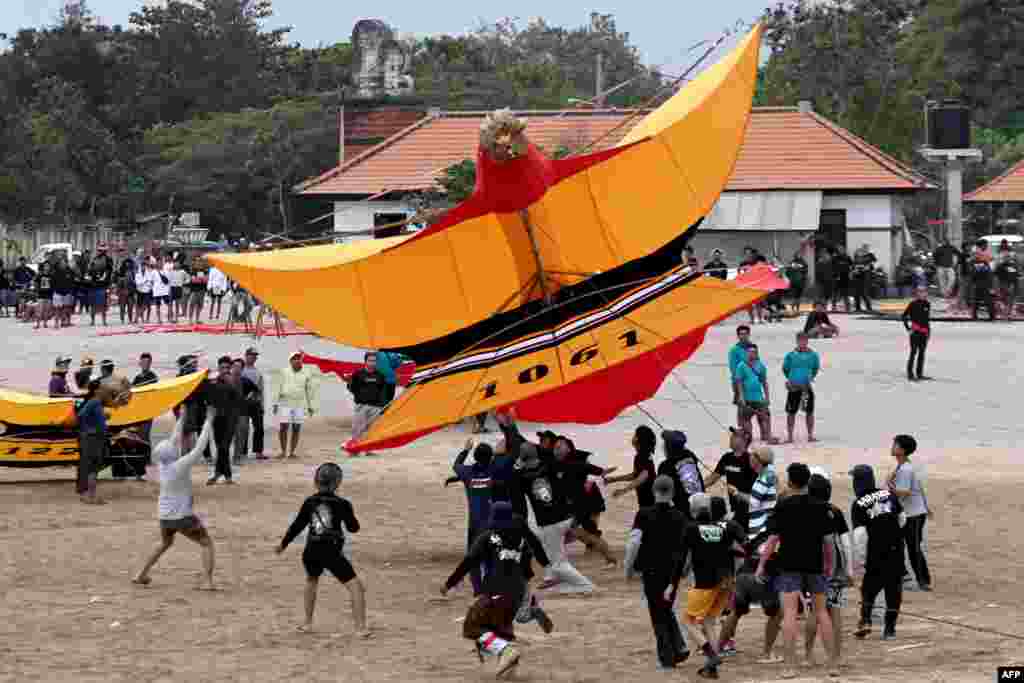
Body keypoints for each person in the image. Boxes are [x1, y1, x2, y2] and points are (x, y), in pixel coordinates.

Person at [440, 501, 552, 679]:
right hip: (518, 590)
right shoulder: (522, 536)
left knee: (472, 626)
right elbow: (535, 550)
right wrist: (547, 567)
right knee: (500, 628)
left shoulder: (488, 537)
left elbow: (469, 560)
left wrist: (450, 583)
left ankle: (506, 652)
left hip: (497, 589)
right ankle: (510, 673)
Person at [756, 463, 839, 678]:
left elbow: (773, 540)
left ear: (790, 482)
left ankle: (790, 666)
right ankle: (832, 664)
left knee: (790, 615)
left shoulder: (783, 506)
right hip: (815, 565)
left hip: (789, 566)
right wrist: (830, 566)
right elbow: (828, 542)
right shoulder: (820, 506)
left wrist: (761, 564)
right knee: (822, 613)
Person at [275, 462, 370, 637]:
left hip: (311, 549)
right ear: (338, 483)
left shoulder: (309, 501)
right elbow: (353, 528)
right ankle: (360, 628)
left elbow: (297, 525)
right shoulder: (343, 503)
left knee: (311, 580)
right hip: (331, 551)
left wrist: (283, 544)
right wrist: (349, 514)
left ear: (316, 481)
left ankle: (307, 623)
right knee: (356, 587)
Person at [132, 409, 217, 590]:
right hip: (183, 516)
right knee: (206, 543)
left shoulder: (163, 466)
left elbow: (174, 438)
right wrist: (208, 421)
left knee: (165, 543)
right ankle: (208, 581)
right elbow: (200, 446)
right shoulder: (180, 466)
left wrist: (182, 416)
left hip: (164, 516)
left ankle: (141, 574)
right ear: (173, 453)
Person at [624, 475, 691, 670]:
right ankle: (678, 646)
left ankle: (667, 656)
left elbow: (634, 543)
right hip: (672, 571)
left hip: (651, 570)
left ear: (654, 491)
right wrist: (684, 570)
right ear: (672, 492)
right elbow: (686, 547)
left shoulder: (643, 514)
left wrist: (628, 568)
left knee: (657, 612)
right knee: (665, 607)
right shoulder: (680, 516)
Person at [515, 442, 595, 593]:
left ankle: (586, 586)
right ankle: (563, 581)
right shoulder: (549, 465)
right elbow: (576, 466)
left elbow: (511, 479)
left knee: (557, 563)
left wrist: (518, 463)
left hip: (549, 524)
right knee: (556, 555)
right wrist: (599, 470)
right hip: (565, 517)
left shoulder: (522, 476)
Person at [680, 493, 745, 680]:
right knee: (709, 621)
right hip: (725, 581)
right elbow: (735, 549)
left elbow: (684, 557)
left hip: (705, 582)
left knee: (688, 621)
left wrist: (676, 578)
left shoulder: (692, 528)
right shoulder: (723, 528)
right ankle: (712, 668)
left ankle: (712, 655)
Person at [849, 463, 904, 640]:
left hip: (876, 551)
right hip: (896, 549)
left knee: (869, 589)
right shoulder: (888, 494)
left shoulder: (858, 504)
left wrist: (862, 558)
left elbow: (860, 535)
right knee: (893, 590)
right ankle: (890, 630)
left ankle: (865, 620)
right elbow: (902, 518)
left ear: (857, 482)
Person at [804, 473, 854, 668]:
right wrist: (849, 569)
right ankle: (836, 655)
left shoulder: (805, 511)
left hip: (813, 566)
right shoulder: (835, 511)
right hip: (835, 568)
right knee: (835, 611)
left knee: (814, 612)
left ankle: (808, 655)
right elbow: (846, 542)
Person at [552, 436, 617, 566]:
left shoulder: (574, 464)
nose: (556, 450)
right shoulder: (555, 465)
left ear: (568, 449)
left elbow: (590, 468)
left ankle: (610, 558)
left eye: (559, 447)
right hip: (570, 507)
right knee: (569, 532)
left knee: (590, 534)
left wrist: (601, 472)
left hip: (580, 507)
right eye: (555, 448)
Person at [449, 439, 496, 596]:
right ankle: (489, 587)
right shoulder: (495, 470)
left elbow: (456, 465)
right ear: (491, 458)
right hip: (492, 522)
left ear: (475, 457)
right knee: (491, 556)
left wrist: (465, 450)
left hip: (474, 523)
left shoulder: (467, 472)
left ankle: (477, 589)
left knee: (473, 556)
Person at [886, 434, 932, 591]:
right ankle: (905, 575)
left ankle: (923, 581)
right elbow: (918, 488)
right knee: (900, 544)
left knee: (913, 548)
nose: (892, 447)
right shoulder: (904, 466)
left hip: (913, 515)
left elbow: (904, 492)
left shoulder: (905, 469)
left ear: (902, 450)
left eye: (895, 444)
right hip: (911, 513)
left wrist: (889, 487)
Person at [705, 427, 755, 532]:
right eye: (732, 435)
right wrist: (697, 486)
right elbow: (712, 478)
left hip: (748, 507)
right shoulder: (727, 458)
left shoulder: (751, 460)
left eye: (735, 436)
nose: (731, 438)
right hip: (733, 507)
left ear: (745, 440)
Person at [75, 380, 116, 504]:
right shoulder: (96, 402)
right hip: (94, 438)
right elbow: (99, 424)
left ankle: (86, 495)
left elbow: (81, 416)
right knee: (93, 467)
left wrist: (88, 427)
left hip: (87, 437)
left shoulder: (91, 402)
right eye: (102, 389)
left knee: (87, 466)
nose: (104, 391)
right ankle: (91, 497)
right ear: (97, 390)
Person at [273, 352, 318, 459]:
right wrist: (275, 403)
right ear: (290, 361)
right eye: (295, 358)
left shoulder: (306, 373)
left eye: (299, 358)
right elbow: (277, 387)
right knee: (283, 427)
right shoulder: (284, 371)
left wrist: (311, 406)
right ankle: (283, 451)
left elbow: (309, 391)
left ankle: (292, 452)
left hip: (300, 403)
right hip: (285, 402)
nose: (297, 360)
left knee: (296, 428)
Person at [206, 356, 242, 484]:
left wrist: (229, 381)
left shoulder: (236, 380)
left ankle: (225, 476)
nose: (225, 370)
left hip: (231, 418)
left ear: (230, 368)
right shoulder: (214, 381)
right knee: (219, 446)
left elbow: (239, 398)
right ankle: (220, 474)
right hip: (217, 418)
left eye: (227, 368)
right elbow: (208, 398)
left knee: (224, 446)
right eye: (222, 368)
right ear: (218, 368)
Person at [782, 332, 821, 443]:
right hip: (793, 387)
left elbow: (815, 368)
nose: (802, 342)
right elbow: (785, 369)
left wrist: (810, 377)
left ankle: (810, 435)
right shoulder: (790, 355)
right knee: (791, 411)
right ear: (797, 341)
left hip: (806, 387)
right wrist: (791, 379)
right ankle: (790, 436)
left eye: (804, 340)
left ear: (807, 341)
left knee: (809, 411)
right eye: (800, 340)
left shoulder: (813, 355)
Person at [608, 425, 658, 511]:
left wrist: (623, 490)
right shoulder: (641, 455)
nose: (633, 438)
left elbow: (642, 477)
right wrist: (613, 479)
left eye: (635, 435)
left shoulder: (643, 456)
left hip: (650, 501)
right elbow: (634, 475)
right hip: (646, 501)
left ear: (639, 440)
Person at [656, 429, 705, 517]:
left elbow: (662, 496)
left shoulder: (665, 467)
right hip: (702, 506)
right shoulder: (690, 456)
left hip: (684, 513)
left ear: (668, 448)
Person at [735, 344, 777, 444]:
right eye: (750, 352)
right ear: (747, 353)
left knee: (766, 416)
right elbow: (739, 382)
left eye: (754, 352)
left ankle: (768, 436)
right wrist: (741, 396)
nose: (752, 354)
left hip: (759, 398)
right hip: (747, 398)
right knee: (746, 419)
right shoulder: (741, 365)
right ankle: (749, 436)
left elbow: (764, 382)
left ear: (757, 354)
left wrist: (767, 397)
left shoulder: (761, 365)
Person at [345, 352, 389, 447]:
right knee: (357, 428)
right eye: (370, 360)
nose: (372, 363)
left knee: (373, 429)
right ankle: (355, 447)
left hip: (376, 407)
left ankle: (369, 449)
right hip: (361, 406)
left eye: (374, 361)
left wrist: (382, 405)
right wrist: (360, 397)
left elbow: (383, 391)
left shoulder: (380, 375)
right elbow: (351, 387)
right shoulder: (357, 374)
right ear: (365, 361)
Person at [229, 358, 259, 464]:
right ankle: (225, 457)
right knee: (227, 436)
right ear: (231, 367)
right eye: (235, 366)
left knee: (241, 435)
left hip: (242, 412)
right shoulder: (226, 379)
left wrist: (249, 398)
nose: (237, 369)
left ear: (242, 369)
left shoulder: (245, 381)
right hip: (228, 412)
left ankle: (237, 457)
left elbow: (256, 390)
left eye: (239, 367)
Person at [901, 287, 931, 382]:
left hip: (924, 332)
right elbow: (904, 315)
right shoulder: (913, 304)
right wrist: (908, 328)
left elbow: (926, 319)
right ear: (917, 294)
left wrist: (928, 332)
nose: (923, 294)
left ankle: (919, 373)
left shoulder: (927, 304)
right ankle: (910, 373)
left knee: (922, 353)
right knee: (913, 352)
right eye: (921, 292)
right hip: (915, 332)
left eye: (925, 292)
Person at [241, 347, 266, 459]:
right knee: (244, 428)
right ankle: (243, 452)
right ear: (246, 355)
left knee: (259, 428)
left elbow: (261, 389)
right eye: (252, 355)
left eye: (255, 355)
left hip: (256, 403)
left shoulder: (258, 372)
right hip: (244, 403)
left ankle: (258, 452)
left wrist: (262, 404)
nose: (254, 357)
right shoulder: (241, 370)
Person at [728, 325, 753, 425]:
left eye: (745, 334)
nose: (743, 336)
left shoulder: (752, 347)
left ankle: (747, 427)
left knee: (751, 405)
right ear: (738, 336)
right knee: (741, 406)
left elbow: (757, 362)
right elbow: (733, 368)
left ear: (749, 335)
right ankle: (740, 428)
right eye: (741, 334)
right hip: (739, 382)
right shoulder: (734, 350)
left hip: (752, 381)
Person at [132, 353, 159, 444]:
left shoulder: (153, 377)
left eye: (147, 362)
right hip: (137, 410)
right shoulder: (137, 377)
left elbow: (155, 393)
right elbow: (132, 390)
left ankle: (147, 456)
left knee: (145, 434)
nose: (145, 364)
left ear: (150, 363)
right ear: (140, 363)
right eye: (143, 362)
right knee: (138, 434)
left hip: (148, 410)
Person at [87, 245, 114, 326]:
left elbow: (109, 272)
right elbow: (89, 271)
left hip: (103, 285)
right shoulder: (94, 259)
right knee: (93, 304)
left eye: (102, 250)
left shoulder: (108, 260)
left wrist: (108, 283)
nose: (101, 252)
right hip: (93, 284)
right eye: (99, 250)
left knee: (103, 304)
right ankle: (93, 321)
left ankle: (104, 321)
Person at [970, 247, 996, 321]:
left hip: (982, 284)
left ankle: (976, 316)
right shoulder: (983, 264)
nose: (976, 255)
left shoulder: (978, 264)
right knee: (985, 301)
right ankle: (990, 316)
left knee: (979, 301)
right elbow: (989, 274)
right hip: (982, 284)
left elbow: (974, 274)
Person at [995, 247, 1020, 320]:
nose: (1008, 258)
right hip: (1003, 285)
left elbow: (1016, 275)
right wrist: (998, 287)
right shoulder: (1000, 266)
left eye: (1008, 256)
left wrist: (1015, 286)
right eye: (1006, 256)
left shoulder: (1013, 265)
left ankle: (1009, 312)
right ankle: (1005, 312)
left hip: (1011, 285)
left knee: (1010, 298)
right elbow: (996, 276)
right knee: (1004, 298)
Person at [851, 245, 877, 312]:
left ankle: (869, 308)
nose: (860, 254)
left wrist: (868, 267)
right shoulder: (856, 259)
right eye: (858, 253)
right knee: (856, 293)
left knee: (864, 293)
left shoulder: (870, 256)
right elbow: (853, 266)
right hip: (857, 277)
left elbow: (874, 264)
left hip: (865, 277)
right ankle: (857, 308)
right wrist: (854, 271)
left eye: (866, 248)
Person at [33, 261, 54, 330]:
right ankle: (37, 323)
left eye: (48, 266)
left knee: (47, 310)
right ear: (43, 267)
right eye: (45, 266)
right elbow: (35, 282)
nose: (47, 267)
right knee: (40, 309)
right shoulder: (40, 275)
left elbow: (54, 284)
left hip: (49, 294)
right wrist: (37, 291)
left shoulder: (51, 275)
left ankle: (45, 323)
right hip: (41, 294)